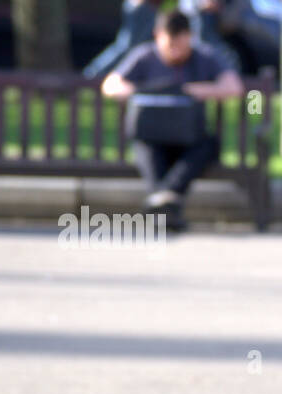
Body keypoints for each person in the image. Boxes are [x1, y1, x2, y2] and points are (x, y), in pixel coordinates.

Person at [101, 10, 245, 231]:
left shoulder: (204, 56)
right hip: (154, 136)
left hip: (189, 139)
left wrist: (196, 90)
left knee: (206, 146)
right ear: (157, 35)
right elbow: (110, 85)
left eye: (180, 44)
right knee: (144, 146)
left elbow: (235, 88)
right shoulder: (144, 56)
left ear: (190, 36)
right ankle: (169, 205)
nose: (176, 52)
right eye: (170, 46)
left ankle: (160, 199)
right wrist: (141, 91)